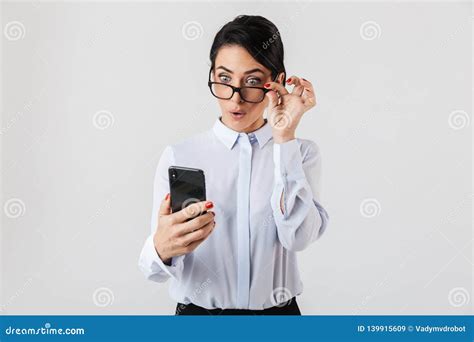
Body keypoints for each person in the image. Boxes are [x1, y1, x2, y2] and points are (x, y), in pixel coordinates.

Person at [138, 14, 329, 315]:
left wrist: (285, 138)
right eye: (225, 79)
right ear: (212, 74)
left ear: (277, 82)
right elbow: (154, 270)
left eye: (252, 82)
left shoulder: (300, 153)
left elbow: (298, 237)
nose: (235, 100)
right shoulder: (181, 156)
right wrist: (161, 247)